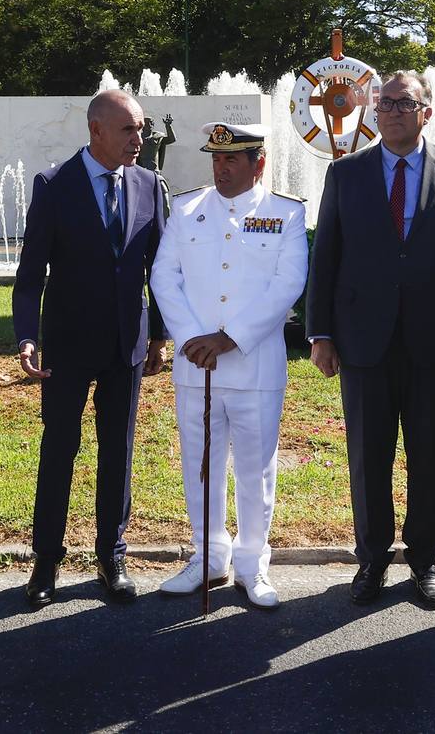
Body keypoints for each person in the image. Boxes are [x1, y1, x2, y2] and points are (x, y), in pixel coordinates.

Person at [305, 70, 435, 607]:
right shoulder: (347, 174)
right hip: (363, 340)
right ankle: (372, 561)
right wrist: (320, 333)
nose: (389, 112)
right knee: (368, 455)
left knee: (431, 455)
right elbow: (327, 258)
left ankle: (426, 560)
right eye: (382, 103)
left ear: (426, 111)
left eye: (402, 104)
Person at [14, 89, 168, 608]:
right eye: (129, 130)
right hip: (68, 344)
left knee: (117, 451)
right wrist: (26, 336)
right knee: (59, 450)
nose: (139, 139)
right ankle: (46, 561)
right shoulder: (55, 185)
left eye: (141, 129)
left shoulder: (149, 185)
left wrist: (160, 336)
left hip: (126, 345)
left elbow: (159, 269)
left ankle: (112, 554)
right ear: (96, 130)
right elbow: (31, 271)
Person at [150, 122, 307, 609]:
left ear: (258, 162)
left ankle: (252, 562)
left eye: (232, 159)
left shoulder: (285, 213)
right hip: (196, 365)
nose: (221, 168)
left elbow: (288, 284)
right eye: (216, 159)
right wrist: (191, 338)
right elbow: (163, 276)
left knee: (255, 468)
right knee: (200, 466)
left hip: (253, 366)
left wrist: (228, 338)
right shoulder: (187, 209)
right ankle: (207, 556)